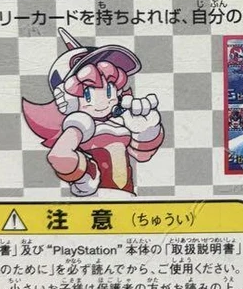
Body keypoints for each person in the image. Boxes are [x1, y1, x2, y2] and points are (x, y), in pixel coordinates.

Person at [22, 28, 164, 197]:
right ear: (66, 99)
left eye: (109, 89)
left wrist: (146, 129)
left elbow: (141, 155)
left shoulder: (119, 122)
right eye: (88, 94)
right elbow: (59, 156)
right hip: (94, 200)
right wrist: (86, 176)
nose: (104, 100)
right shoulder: (80, 125)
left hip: (125, 199)